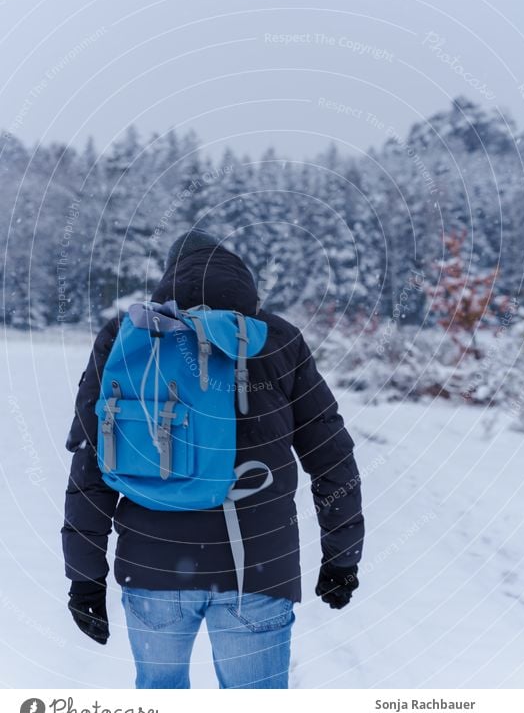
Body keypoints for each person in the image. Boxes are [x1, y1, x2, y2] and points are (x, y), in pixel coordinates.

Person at [62, 229, 364, 689]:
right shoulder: (277, 338)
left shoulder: (130, 335)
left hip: (153, 569)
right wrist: (341, 558)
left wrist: (85, 578)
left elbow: (91, 457)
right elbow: (331, 454)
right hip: (257, 570)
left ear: (169, 278)